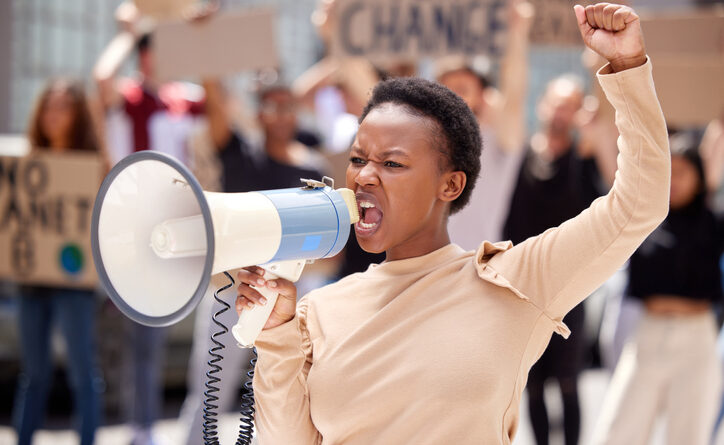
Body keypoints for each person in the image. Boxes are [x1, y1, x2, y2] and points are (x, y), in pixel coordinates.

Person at [236, 4, 670, 443]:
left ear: (451, 185)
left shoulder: (515, 283)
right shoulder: (318, 312)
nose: (364, 175)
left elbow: (639, 203)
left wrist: (627, 68)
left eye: (392, 162)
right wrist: (276, 339)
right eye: (357, 159)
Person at [179, 79, 327, 445]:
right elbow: (215, 105)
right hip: (232, 292)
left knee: (284, 392)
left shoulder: (313, 167)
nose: (281, 115)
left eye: (288, 106)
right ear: (257, 113)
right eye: (272, 107)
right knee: (209, 392)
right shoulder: (240, 153)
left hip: (290, 295)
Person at [92, 3, 204, 443]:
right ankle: (139, 426)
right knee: (135, 335)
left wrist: (202, 35)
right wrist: (127, 31)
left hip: (178, 229)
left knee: (159, 334)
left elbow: (224, 107)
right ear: (144, 56)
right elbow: (101, 80)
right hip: (132, 228)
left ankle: (147, 424)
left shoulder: (186, 98)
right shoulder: (129, 96)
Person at [590, 133, 724, 445]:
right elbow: (616, 177)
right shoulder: (643, 218)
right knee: (618, 430)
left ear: (700, 175)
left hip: (697, 338)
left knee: (689, 434)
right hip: (647, 335)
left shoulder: (713, 223)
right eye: (669, 171)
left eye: (683, 172)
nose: (674, 180)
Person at [502, 74, 606, 445]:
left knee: (568, 380)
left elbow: (608, 189)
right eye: (558, 103)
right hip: (523, 285)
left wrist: (593, 133)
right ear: (543, 105)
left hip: (569, 286)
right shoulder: (520, 156)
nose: (562, 113)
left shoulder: (584, 159)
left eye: (571, 105)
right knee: (531, 381)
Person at [13, 79, 105, 445]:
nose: (54, 114)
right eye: (49, 106)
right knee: (33, 374)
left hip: (75, 285)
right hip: (32, 282)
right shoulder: (25, 163)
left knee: (83, 373)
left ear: (78, 114)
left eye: (63, 106)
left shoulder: (96, 165)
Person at [438, 0, 533, 246]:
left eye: (461, 89)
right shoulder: (425, 141)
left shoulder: (497, 142)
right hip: (424, 269)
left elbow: (513, 95)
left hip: (474, 266)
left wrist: (516, 32)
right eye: (444, 89)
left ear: (483, 96)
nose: (451, 96)